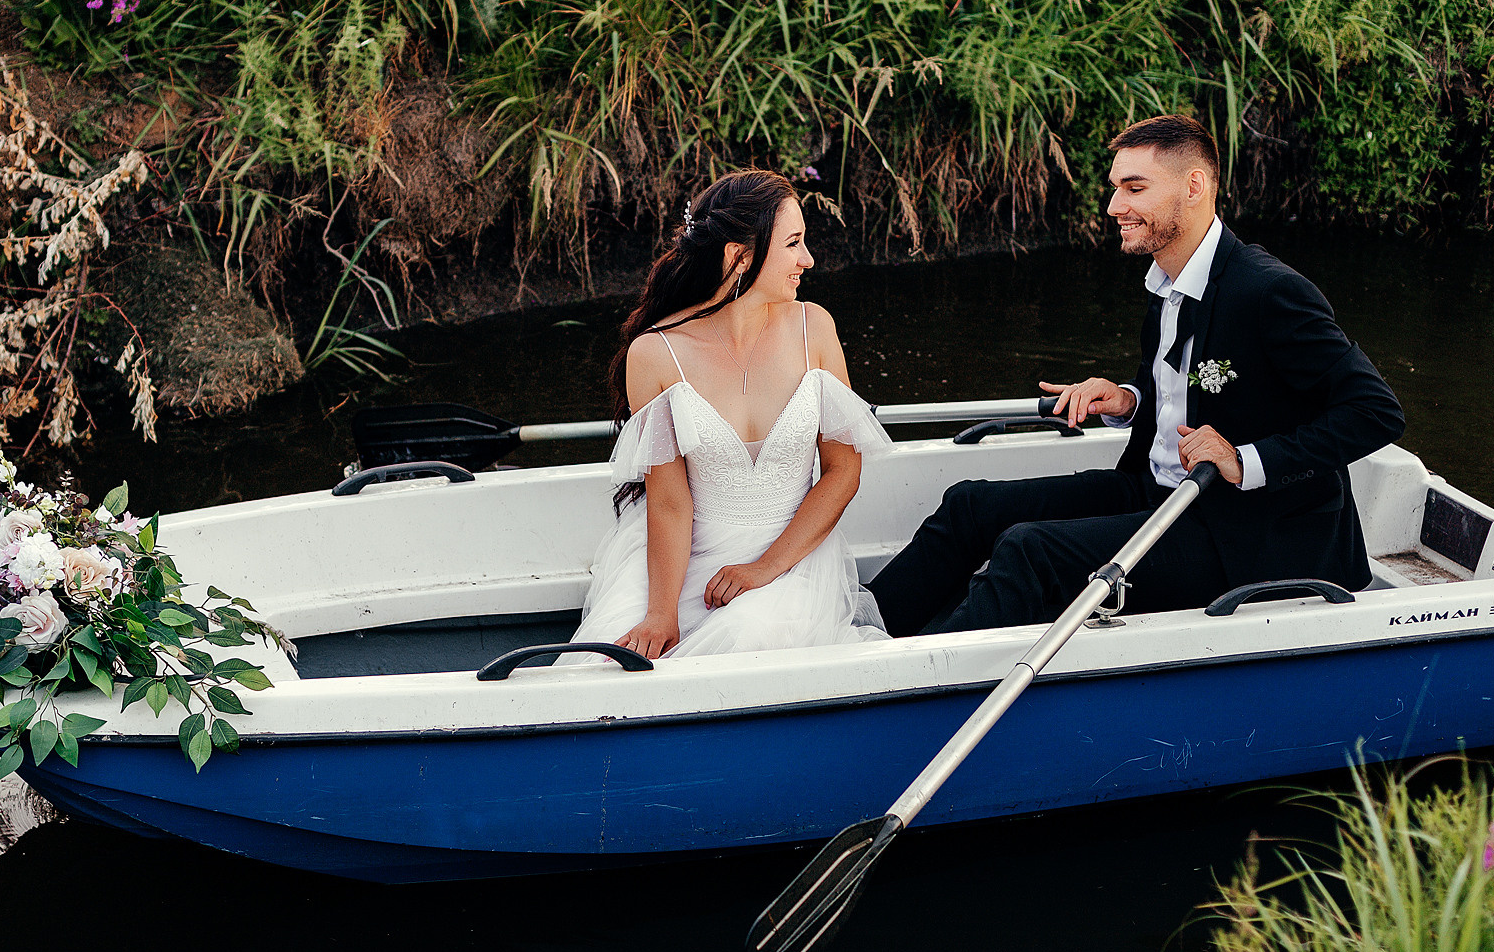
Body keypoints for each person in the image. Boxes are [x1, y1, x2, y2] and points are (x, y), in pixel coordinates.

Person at [866, 114, 1406, 637]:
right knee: (970, 505)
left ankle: (910, 688)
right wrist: (1129, 398)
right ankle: (858, 642)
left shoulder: (1270, 291)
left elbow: (1375, 411)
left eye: (1133, 188)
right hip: (1159, 493)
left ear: (1194, 186)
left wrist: (1244, 461)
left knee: (1029, 549)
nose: (1113, 206)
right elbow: (1188, 388)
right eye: (1115, 188)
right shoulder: (1169, 280)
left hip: (1248, 531)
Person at [556, 169, 891, 664]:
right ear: (740, 256)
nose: (808, 259)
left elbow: (843, 473)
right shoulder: (654, 354)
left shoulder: (813, 329)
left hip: (792, 553)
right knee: (616, 659)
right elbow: (669, 502)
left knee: (744, 638)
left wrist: (763, 568)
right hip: (686, 558)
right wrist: (661, 612)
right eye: (793, 243)